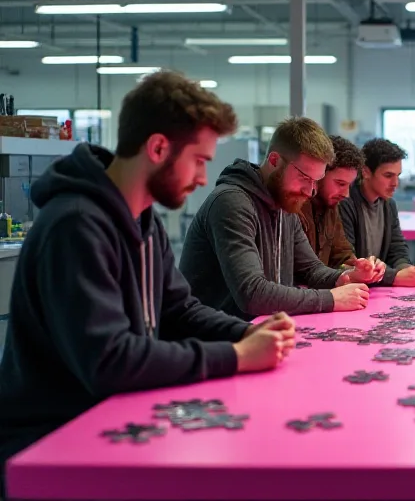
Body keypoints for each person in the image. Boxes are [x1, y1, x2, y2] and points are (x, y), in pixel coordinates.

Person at [0, 71, 297, 496]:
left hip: (116, 418)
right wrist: (235, 356)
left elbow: (180, 310)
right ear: (158, 148)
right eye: (198, 160)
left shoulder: (144, 220)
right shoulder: (76, 225)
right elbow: (110, 361)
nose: (201, 177)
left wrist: (248, 331)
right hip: (52, 443)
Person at [179, 117, 375, 321]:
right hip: (216, 341)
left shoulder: (285, 203)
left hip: (260, 331)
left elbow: (311, 269)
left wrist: (346, 277)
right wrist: (331, 299)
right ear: (274, 161)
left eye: (316, 181)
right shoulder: (231, 202)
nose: (310, 191)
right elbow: (253, 294)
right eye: (304, 178)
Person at [339, 138, 415, 287]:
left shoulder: (389, 205)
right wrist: (394, 276)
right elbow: (348, 262)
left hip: (377, 289)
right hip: (355, 289)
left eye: (398, 175)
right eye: (388, 176)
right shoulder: (345, 203)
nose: (396, 183)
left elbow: (397, 248)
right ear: (366, 171)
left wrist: (409, 270)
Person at [298, 135, 386, 284]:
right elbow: (303, 272)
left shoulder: (331, 206)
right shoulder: (296, 208)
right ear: (318, 174)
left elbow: (341, 256)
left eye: (349, 185)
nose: (346, 194)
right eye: (340, 183)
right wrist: (346, 275)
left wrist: (360, 267)